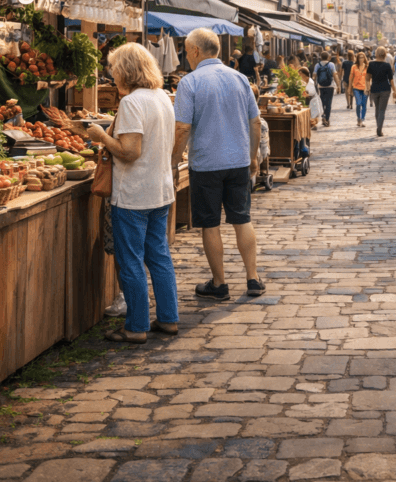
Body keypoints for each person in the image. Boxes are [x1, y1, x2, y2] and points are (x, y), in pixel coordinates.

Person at [64, 44, 178, 344]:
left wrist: (101, 136)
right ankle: (168, 319)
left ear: (126, 70)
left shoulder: (131, 103)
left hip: (134, 194)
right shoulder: (162, 97)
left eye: (113, 68)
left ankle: (136, 326)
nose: (111, 73)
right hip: (160, 190)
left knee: (130, 261)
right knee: (159, 257)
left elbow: (129, 152)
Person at [171, 29, 263, 301]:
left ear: (196, 51)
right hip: (237, 161)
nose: (186, 56)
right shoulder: (240, 79)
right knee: (241, 218)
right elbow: (255, 122)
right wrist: (253, 156)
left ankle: (220, 283)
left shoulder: (190, 82)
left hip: (207, 164)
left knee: (210, 224)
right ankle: (253, 278)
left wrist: (174, 162)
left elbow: (183, 128)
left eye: (187, 51)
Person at [366, 47, 394, 137]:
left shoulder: (371, 64)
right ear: (385, 54)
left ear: (376, 53)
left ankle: (378, 126)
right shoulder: (387, 65)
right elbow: (391, 79)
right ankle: (379, 129)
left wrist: (367, 87)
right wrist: (395, 90)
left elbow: (367, 78)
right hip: (385, 89)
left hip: (374, 89)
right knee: (382, 110)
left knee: (377, 109)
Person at [312, 51, 338, 127]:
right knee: (329, 103)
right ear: (328, 57)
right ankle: (327, 119)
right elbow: (335, 75)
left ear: (320, 57)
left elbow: (314, 75)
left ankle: (323, 116)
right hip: (330, 86)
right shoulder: (331, 64)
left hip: (321, 86)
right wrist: (338, 85)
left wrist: (314, 83)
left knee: (322, 102)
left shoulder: (317, 65)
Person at [350, 51, 369, 127]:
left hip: (365, 88)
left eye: (362, 57)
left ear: (364, 58)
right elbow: (351, 78)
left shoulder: (367, 67)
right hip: (356, 88)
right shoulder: (354, 67)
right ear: (357, 58)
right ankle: (359, 118)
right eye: (360, 57)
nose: (361, 59)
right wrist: (349, 88)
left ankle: (363, 119)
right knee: (358, 103)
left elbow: (369, 78)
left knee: (364, 104)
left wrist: (368, 88)